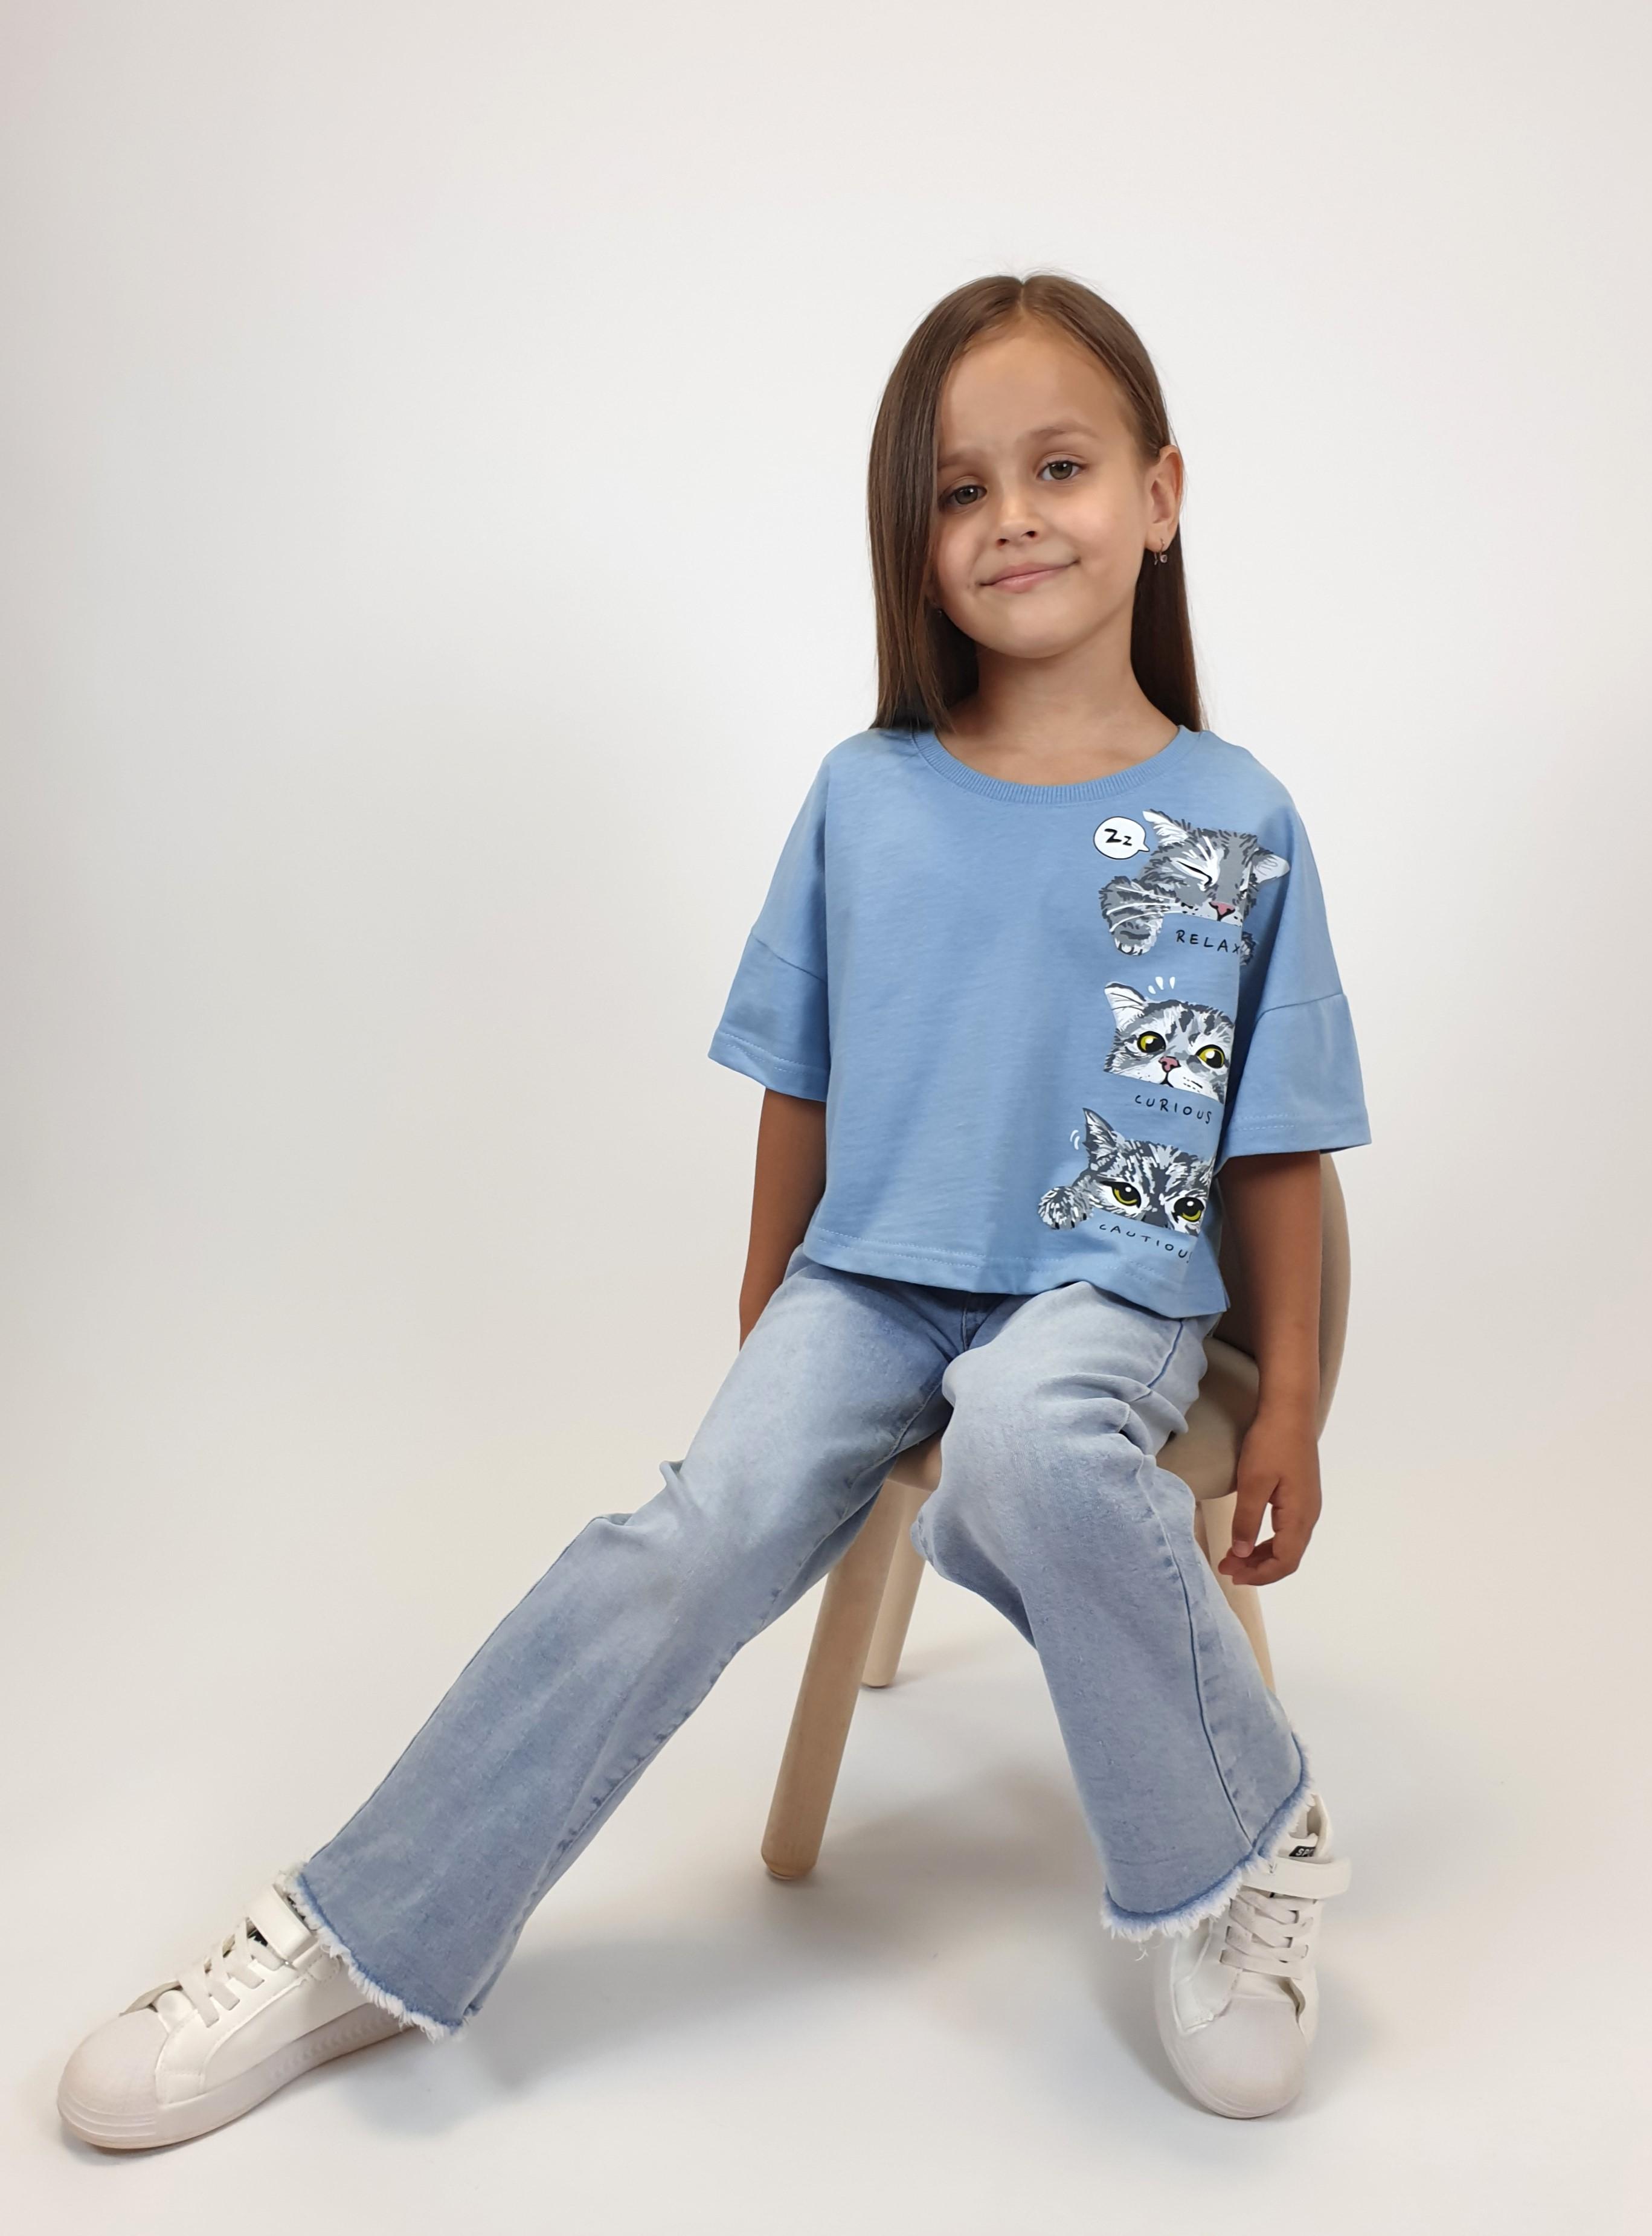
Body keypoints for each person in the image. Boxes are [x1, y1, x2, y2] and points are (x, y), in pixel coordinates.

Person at [57, 270, 1369, 2149]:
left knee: (1023, 1447)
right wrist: (770, 1314)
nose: (1012, 517)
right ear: (911, 543)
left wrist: (1293, 1395)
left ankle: (1241, 1847)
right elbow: (803, 1076)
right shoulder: (867, 795)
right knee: (689, 1536)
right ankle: (365, 1930)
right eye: (958, 489)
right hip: (872, 1281)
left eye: (1060, 468)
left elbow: (1272, 1139)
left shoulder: (1238, 817)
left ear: (1160, 495)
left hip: (1110, 1283)